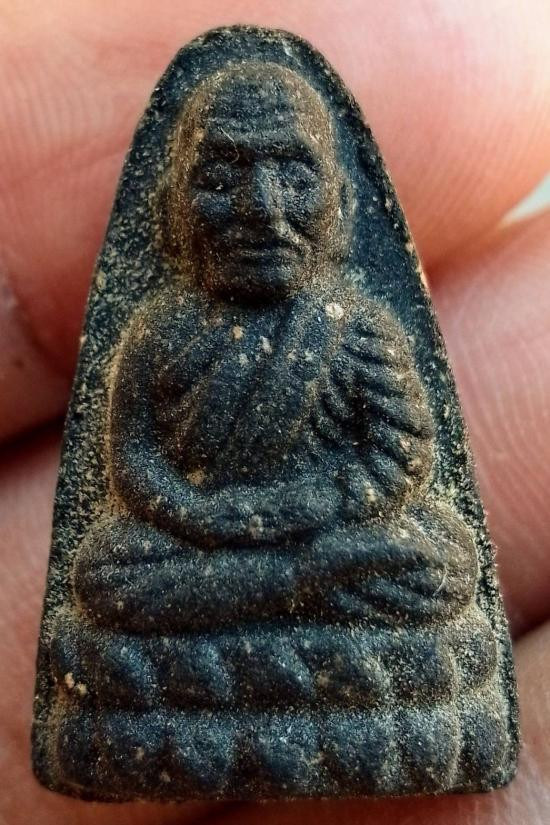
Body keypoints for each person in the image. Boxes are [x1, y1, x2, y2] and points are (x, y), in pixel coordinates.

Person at [1, 1, 549, 823]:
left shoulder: (357, 328)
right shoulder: (159, 332)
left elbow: (397, 455)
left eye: (293, 176)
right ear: (177, 204)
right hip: (198, 545)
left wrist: (309, 509)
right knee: (108, 571)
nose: (262, 207)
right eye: (224, 179)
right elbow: (134, 464)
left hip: (327, 542)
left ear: (339, 200)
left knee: (435, 559)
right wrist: (198, 513)